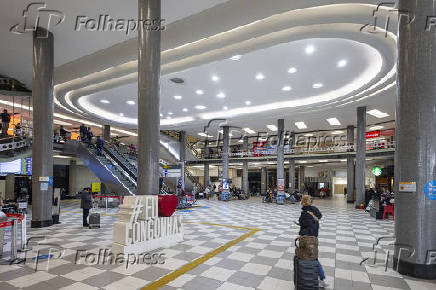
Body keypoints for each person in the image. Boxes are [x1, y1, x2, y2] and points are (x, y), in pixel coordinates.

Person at [298, 195, 328, 288]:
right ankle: (317, 278)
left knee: (311, 258)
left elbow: (309, 227)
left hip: (308, 239)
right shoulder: (314, 209)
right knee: (312, 257)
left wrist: (301, 234)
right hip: (314, 237)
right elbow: (318, 218)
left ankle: (320, 279)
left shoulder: (305, 213)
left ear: (303, 202)